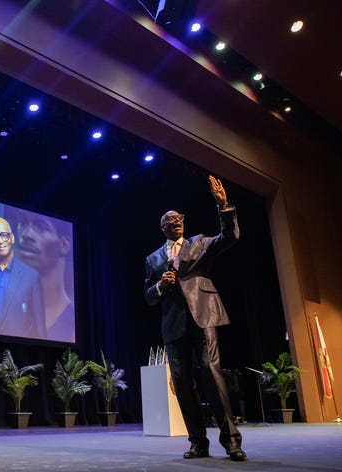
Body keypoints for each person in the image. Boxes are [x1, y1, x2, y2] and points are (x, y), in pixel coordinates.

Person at [143, 175, 247, 462]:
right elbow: (148, 297)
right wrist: (160, 286)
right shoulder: (153, 259)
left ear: (183, 221)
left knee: (211, 373)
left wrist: (224, 208)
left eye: (178, 218)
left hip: (204, 313)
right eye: (168, 220)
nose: (174, 222)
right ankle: (198, 442)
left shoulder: (200, 243)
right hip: (173, 323)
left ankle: (231, 441)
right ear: (161, 227)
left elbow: (230, 238)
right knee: (182, 382)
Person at [0, 216, 45, 338]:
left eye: (4, 235)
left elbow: (40, 327)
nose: (0, 241)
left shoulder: (31, 276)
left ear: (12, 238)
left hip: (20, 352)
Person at [15, 211, 75, 342]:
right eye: (23, 223)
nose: (26, 235)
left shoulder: (74, 325)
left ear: (64, 245)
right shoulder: (6, 308)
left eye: (41, 227)